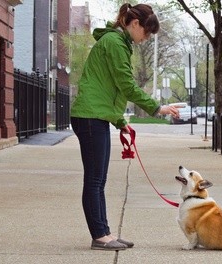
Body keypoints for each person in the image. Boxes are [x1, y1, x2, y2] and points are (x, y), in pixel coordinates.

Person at [70, 3, 181, 251]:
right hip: (90, 117)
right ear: (134, 24)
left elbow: (108, 89)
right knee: (95, 180)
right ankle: (100, 236)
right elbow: (126, 85)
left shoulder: (118, 43)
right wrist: (156, 108)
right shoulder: (115, 43)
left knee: (99, 179)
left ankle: (105, 233)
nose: (146, 38)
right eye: (146, 32)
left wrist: (120, 122)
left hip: (95, 116)